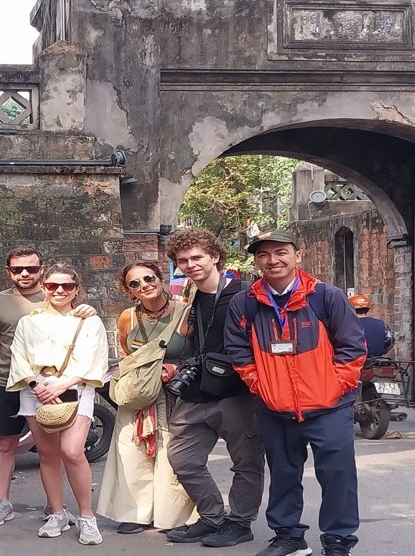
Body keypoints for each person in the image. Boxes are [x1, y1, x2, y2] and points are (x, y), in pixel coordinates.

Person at [224, 229, 366, 556]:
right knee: (284, 475)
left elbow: (353, 348)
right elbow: (237, 350)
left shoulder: (325, 296)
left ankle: (338, 540)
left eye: (281, 252)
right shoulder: (245, 303)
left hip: (329, 407)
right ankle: (288, 536)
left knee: (337, 477)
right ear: (256, 261)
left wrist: (334, 388)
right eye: (264, 254)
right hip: (275, 409)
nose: (273, 260)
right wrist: (262, 387)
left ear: (297, 255)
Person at [161, 228, 266, 549]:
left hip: (238, 395)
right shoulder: (192, 298)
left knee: (246, 463)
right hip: (197, 392)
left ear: (215, 256)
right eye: (183, 261)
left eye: (197, 258)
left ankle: (240, 523)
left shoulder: (245, 294)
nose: (191, 265)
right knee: (182, 460)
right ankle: (212, 517)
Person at [0, 247, 95, 527]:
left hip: (52, 384)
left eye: (31, 268)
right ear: (8, 272)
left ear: (41, 270)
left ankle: (55, 507)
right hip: (5, 380)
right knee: (4, 444)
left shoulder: (56, 297)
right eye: (17, 269)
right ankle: (2, 503)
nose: (24, 274)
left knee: (61, 449)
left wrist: (86, 309)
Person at [6, 264, 108, 546]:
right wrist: (37, 386)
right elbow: (19, 357)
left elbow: (95, 359)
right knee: (48, 454)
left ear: (76, 289)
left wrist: (63, 384)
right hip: (36, 389)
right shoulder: (30, 321)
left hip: (76, 387)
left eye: (66, 286)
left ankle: (87, 515)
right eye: (52, 286)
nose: (59, 291)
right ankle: (57, 511)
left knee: (72, 451)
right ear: (44, 288)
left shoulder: (88, 321)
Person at [96, 261, 196, 534]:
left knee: (170, 453)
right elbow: (128, 355)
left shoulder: (185, 312)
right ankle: (134, 513)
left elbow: (198, 352)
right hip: (139, 395)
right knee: (131, 451)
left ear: (161, 279)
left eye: (149, 278)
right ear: (129, 291)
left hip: (174, 392)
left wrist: (175, 369)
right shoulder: (128, 317)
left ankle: (171, 515)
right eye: (135, 283)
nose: (144, 285)